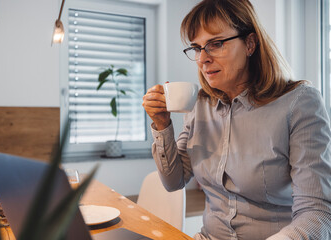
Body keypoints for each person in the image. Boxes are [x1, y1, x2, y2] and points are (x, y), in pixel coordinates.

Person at [142, 0, 331, 239]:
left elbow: (318, 213)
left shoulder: (299, 103)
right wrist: (162, 125)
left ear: (250, 44)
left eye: (216, 44)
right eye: (197, 48)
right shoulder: (199, 104)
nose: (202, 59)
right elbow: (174, 181)